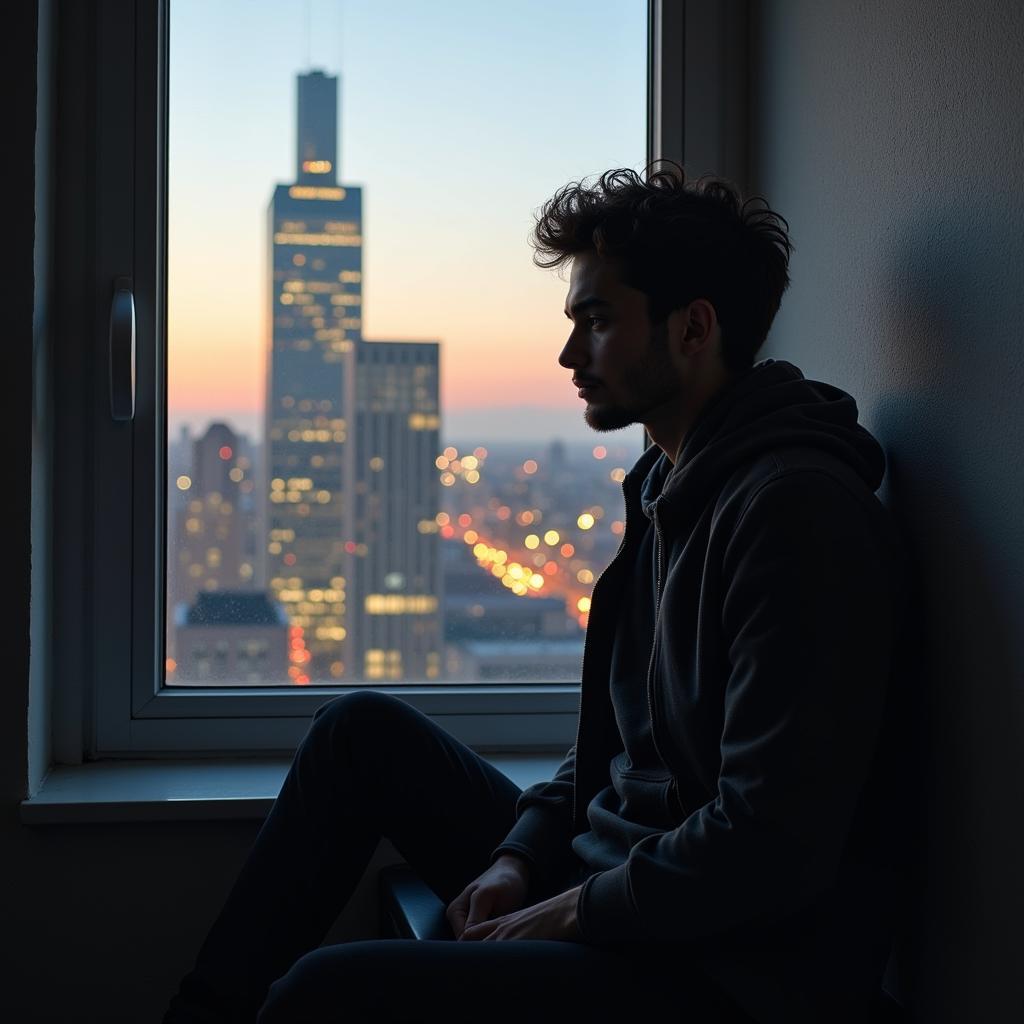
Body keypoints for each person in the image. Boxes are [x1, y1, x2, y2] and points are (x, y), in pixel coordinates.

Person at [164, 164, 912, 1024]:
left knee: (319, 1000)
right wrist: (520, 858)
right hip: (616, 885)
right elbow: (614, 744)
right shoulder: (668, 484)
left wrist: (561, 914)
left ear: (694, 328)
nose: (568, 355)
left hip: (722, 968)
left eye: (597, 322)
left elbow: (771, 842)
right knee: (356, 735)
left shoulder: (794, 513)